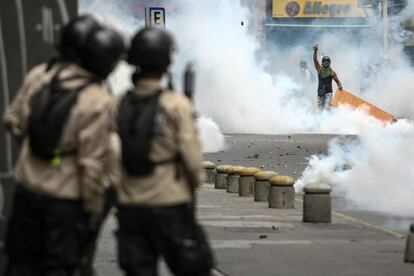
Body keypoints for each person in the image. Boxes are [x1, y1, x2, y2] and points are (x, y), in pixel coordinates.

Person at [3, 15, 125, 276]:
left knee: (21, 265)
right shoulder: (98, 99)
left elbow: (13, 121)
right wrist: (93, 212)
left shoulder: (39, 77)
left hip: (27, 193)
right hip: (66, 203)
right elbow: (91, 165)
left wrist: (38, 147)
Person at [113, 27, 214, 276]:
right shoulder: (175, 104)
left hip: (130, 204)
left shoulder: (118, 103)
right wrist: (192, 183)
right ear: (166, 61)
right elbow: (192, 158)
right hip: (169, 202)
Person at [313, 44, 343, 111]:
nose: (326, 63)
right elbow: (315, 60)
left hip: (328, 93)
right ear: (322, 63)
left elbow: (338, 81)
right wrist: (315, 51)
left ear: (330, 63)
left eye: (327, 61)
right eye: (325, 61)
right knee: (320, 110)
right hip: (320, 93)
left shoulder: (332, 72)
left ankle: (328, 119)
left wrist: (340, 85)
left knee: (326, 109)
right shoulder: (319, 69)